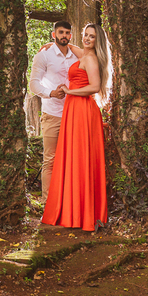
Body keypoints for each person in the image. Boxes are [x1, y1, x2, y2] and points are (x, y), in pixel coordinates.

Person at [41, 22, 109, 232]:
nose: (87, 39)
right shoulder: (84, 53)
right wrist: (50, 44)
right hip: (75, 110)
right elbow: (71, 47)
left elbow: (95, 87)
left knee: (80, 158)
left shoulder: (90, 58)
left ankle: (81, 214)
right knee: (75, 158)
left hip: (82, 110)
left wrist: (70, 92)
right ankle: (77, 211)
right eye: (85, 35)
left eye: (92, 37)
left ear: (98, 41)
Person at [28, 21, 75, 198]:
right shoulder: (44, 56)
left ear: (71, 36)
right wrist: (51, 93)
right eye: (61, 32)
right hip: (52, 114)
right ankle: (48, 203)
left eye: (67, 33)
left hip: (74, 114)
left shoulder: (76, 56)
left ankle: (68, 203)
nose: (64, 35)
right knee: (50, 160)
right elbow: (33, 84)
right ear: (53, 35)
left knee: (72, 159)